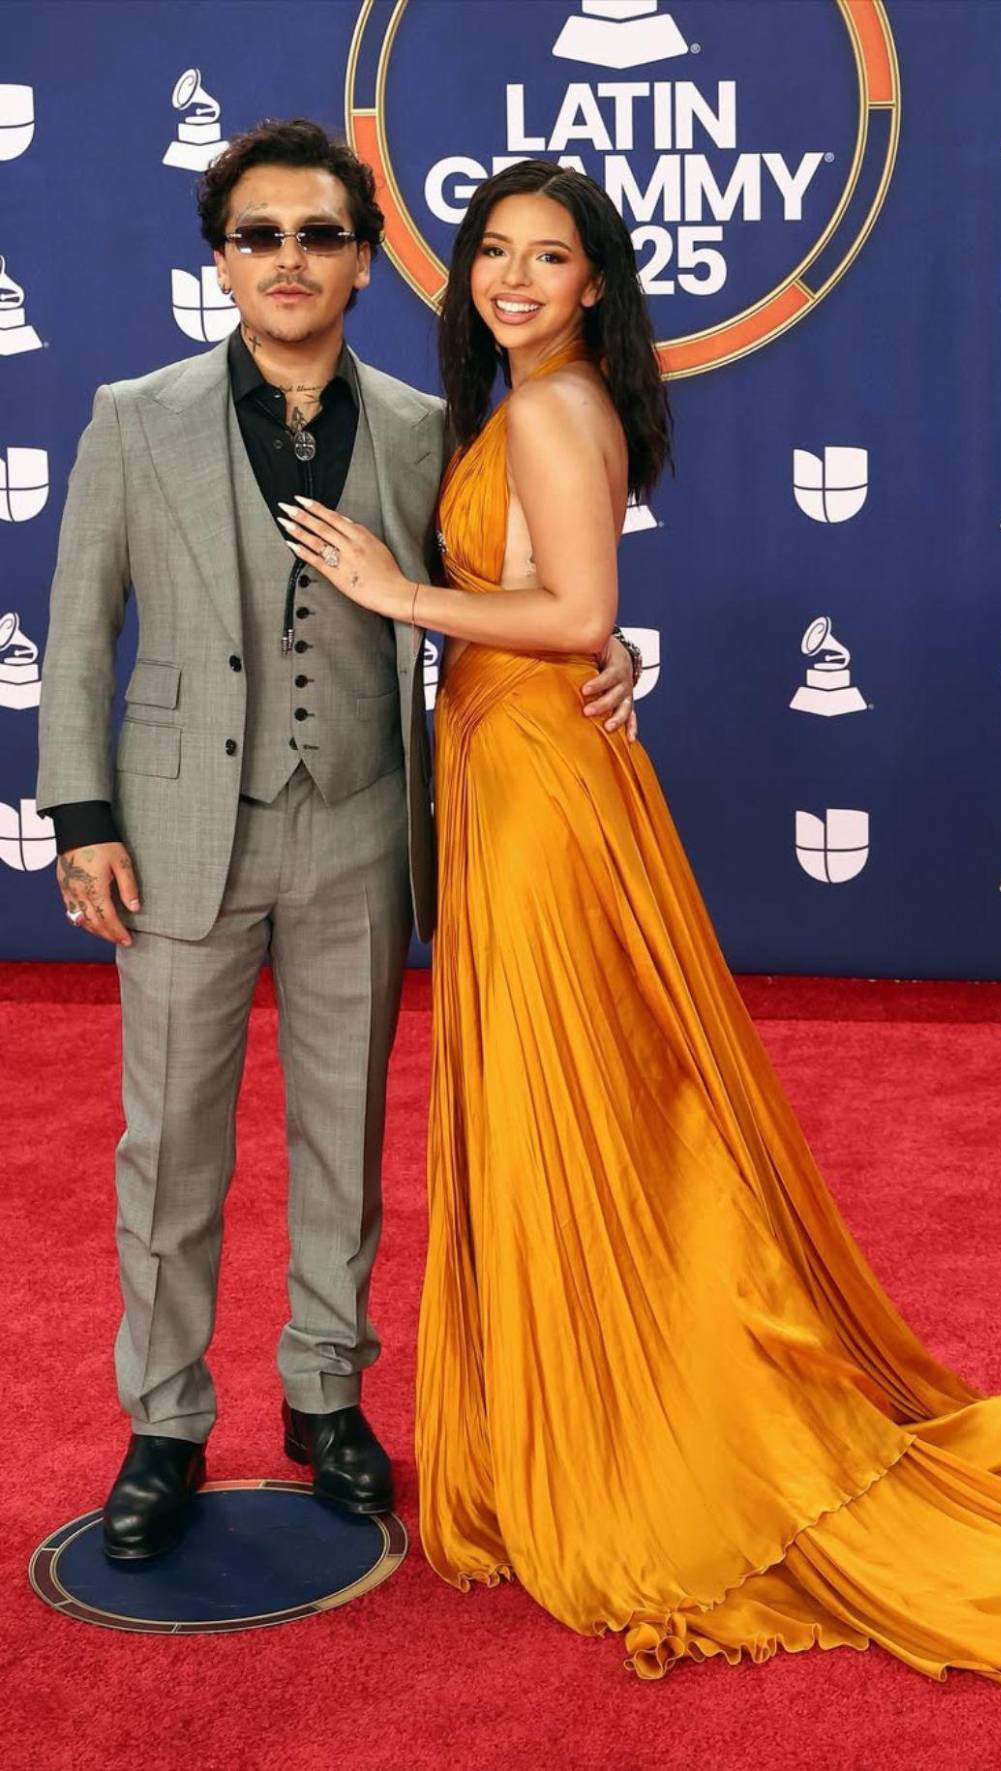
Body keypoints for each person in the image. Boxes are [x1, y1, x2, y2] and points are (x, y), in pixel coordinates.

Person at [281, 157, 1001, 1728]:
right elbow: (577, 618)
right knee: (574, 1108)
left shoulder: (561, 411)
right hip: (509, 784)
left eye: (547, 259)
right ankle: (587, 1409)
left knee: (605, 1109)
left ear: (594, 286)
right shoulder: (523, 405)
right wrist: (537, 626)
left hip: (543, 800)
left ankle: (654, 1425)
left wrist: (393, 588)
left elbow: (573, 615)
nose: (511, 278)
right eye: (493, 251)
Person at [34, 124, 638, 1562]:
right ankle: (165, 1423)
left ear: (364, 261)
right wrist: (81, 818)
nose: (290, 261)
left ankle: (325, 1398)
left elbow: (518, 590)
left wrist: (602, 659)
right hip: (180, 837)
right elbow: (74, 634)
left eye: (318, 235)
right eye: (260, 237)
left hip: (365, 826)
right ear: (222, 261)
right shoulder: (134, 414)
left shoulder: (431, 427)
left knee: (343, 1140)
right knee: (169, 1146)